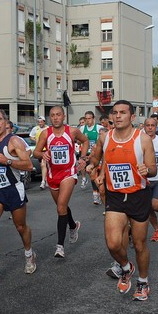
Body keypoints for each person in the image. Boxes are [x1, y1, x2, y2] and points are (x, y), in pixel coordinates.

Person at [87, 100, 157, 301]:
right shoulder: (105, 137)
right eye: (115, 113)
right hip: (115, 196)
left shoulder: (142, 139)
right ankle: (127, 268)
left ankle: (143, 282)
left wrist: (147, 170)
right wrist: (92, 165)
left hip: (138, 196)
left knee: (139, 243)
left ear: (132, 117)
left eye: (123, 113)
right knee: (112, 243)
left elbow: (152, 167)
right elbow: (95, 157)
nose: (117, 116)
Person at [0, 109, 36, 282]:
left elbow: (28, 165)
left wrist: (9, 161)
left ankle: (29, 253)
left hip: (13, 189)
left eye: (0, 120)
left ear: (6, 122)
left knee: (20, 227)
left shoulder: (14, 141)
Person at [33, 106, 89, 258]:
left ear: (63, 116)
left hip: (68, 173)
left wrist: (82, 158)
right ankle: (73, 225)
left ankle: (60, 246)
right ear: (50, 118)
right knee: (61, 207)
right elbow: (35, 152)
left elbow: (85, 141)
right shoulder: (46, 133)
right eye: (52, 115)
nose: (56, 117)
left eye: (58, 115)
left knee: (60, 208)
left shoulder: (72, 131)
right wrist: (43, 154)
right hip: (53, 174)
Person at [80, 111, 104, 204]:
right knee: (92, 174)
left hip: (98, 154)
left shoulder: (99, 128)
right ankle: (95, 194)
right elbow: (78, 142)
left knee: (99, 174)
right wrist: (83, 139)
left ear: (93, 119)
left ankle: (100, 192)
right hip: (88, 155)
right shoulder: (82, 128)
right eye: (85, 119)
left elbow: (103, 140)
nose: (87, 120)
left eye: (89, 118)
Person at [29, 116, 48, 189]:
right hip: (39, 149)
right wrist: (35, 140)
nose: (40, 123)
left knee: (44, 164)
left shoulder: (48, 128)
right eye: (39, 122)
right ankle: (45, 180)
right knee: (43, 165)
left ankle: (43, 181)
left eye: (41, 122)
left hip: (46, 149)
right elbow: (31, 136)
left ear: (44, 122)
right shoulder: (35, 129)